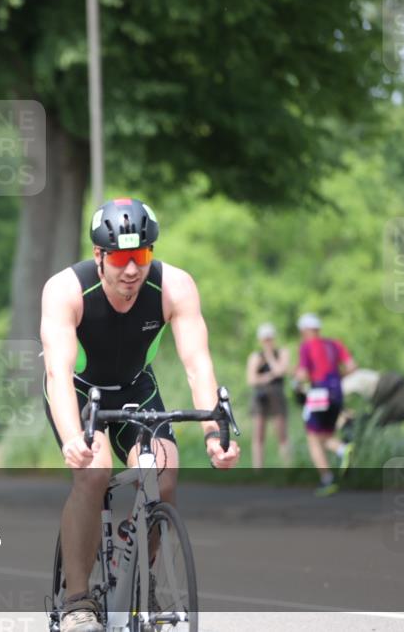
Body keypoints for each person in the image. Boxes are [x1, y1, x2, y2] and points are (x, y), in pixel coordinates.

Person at [41, 198, 240, 632]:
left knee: (163, 475)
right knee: (93, 474)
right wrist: (74, 437)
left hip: (135, 390)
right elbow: (57, 373)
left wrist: (213, 432)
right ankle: (77, 602)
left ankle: (137, 575)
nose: (132, 270)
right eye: (121, 258)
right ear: (99, 256)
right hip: (79, 393)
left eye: (142, 256)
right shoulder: (66, 290)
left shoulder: (175, 287)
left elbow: (197, 363)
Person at [294, 313, 356, 496]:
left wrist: (296, 379)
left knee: (313, 438)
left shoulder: (306, 346)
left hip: (319, 395)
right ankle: (341, 452)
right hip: (337, 394)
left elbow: (304, 374)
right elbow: (352, 366)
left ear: (305, 330)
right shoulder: (335, 344)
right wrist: (337, 378)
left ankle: (328, 476)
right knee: (325, 435)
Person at [246, 323, 291, 468]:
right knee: (258, 434)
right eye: (265, 339)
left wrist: (270, 356)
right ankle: (258, 468)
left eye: (269, 339)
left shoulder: (282, 352)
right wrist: (268, 376)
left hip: (276, 395)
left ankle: (287, 466)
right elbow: (252, 380)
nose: (267, 342)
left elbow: (280, 371)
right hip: (260, 396)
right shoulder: (255, 357)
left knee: (281, 433)